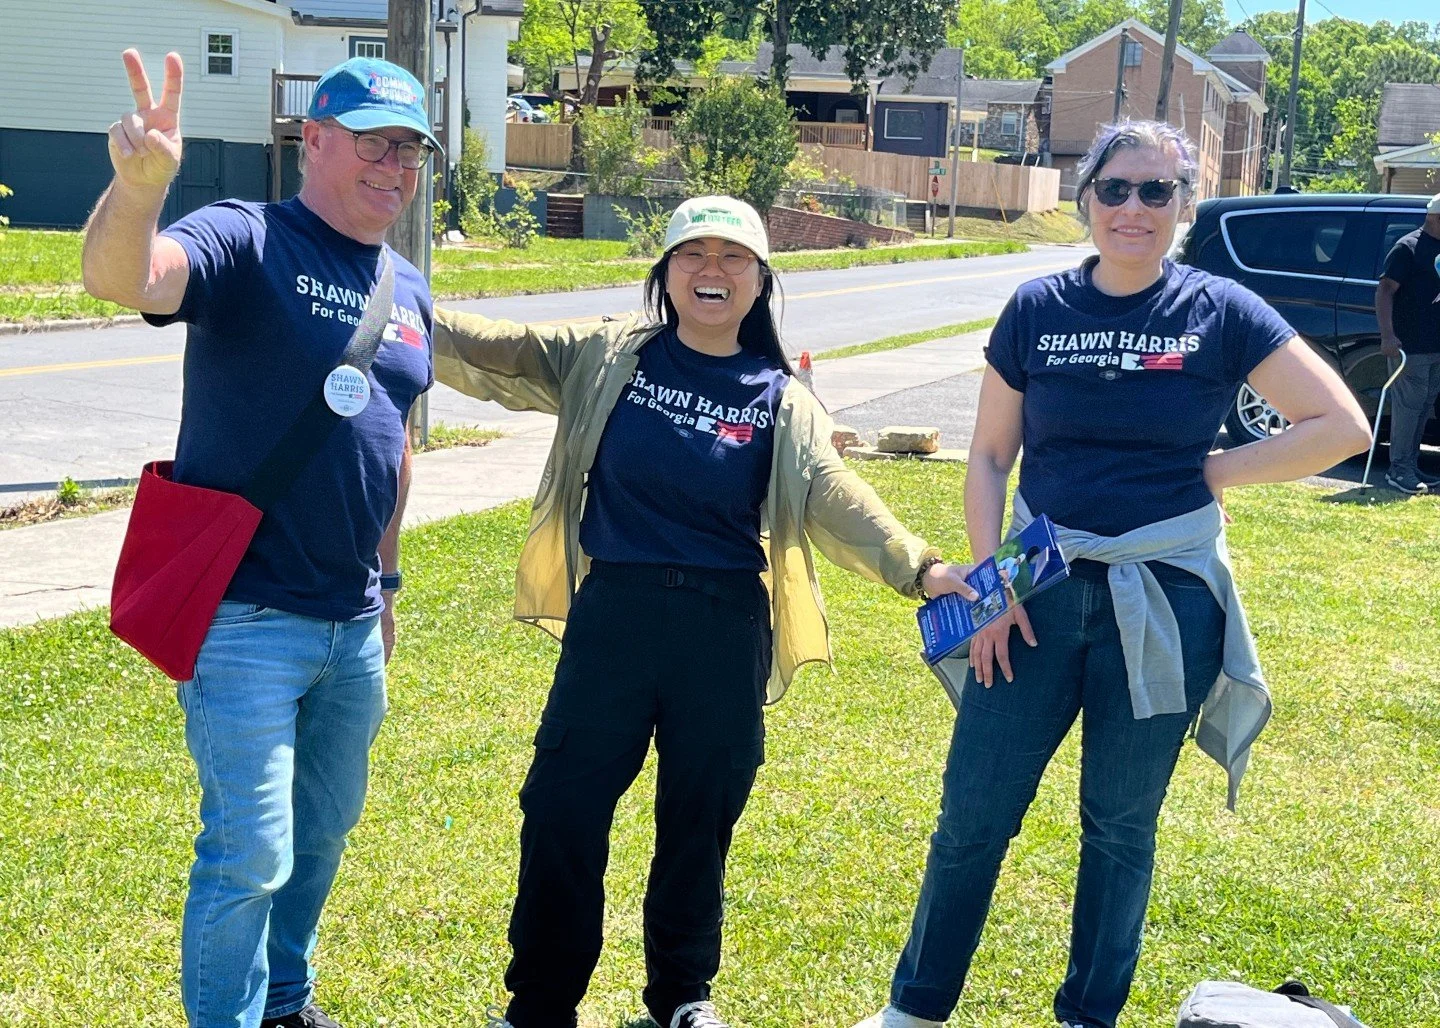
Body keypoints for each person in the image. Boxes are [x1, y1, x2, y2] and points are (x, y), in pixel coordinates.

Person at [853, 120, 1370, 1028]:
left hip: (1165, 598)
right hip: (1035, 591)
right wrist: (989, 588)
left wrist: (1211, 472)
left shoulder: (1222, 310)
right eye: (1117, 189)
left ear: (1184, 206)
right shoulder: (1037, 307)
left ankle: (1088, 1015)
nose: (1135, 209)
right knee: (973, 814)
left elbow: (1341, 425)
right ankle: (916, 1011)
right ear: (1087, 196)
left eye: (1157, 192)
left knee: (1120, 829)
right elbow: (986, 459)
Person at [429, 195, 976, 1028]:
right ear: (665, 272)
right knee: (562, 806)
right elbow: (499, 346)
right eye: (693, 254)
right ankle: (540, 1004)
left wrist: (921, 565)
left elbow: (832, 491)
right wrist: (398, 301)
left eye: (733, 258)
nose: (711, 271)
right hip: (615, 612)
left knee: (699, 817)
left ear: (760, 282)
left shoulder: (780, 397)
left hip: (722, 628)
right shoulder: (610, 354)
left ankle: (680, 997)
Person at [81, 51, 437, 1028]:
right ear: (312, 140)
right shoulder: (248, 235)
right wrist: (138, 187)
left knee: (320, 839)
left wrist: (391, 585)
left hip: (352, 623)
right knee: (251, 852)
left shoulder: (408, 288)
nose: (393, 167)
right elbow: (128, 277)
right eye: (372, 142)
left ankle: (287, 999)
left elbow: (394, 442)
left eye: (408, 150)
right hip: (246, 617)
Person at [1375, 193, 1440, 494]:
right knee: (1408, 407)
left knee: (1425, 406)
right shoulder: (1408, 247)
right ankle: (1398, 470)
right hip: (1409, 346)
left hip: (1435, 345)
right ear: (1435, 217)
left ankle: (1411, 465)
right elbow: (1385, 290)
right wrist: (1387, 335)